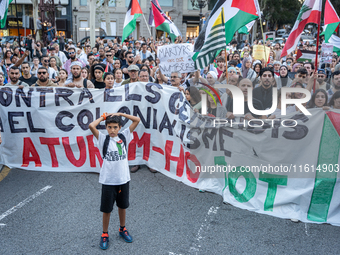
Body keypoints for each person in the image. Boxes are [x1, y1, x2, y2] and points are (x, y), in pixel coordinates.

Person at [88, 112, 140, 250]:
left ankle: (122, 229)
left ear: (120, 127)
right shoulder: (103, 139)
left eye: (115, 127)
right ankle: (104, 234)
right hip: (108, 181)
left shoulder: (124, 136)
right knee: (107, 209)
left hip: (123, 179)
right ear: (106, 128)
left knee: (122, 206)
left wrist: (120, 113)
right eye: (109, 127)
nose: (112, 130)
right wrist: (104, 117)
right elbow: (91, 125)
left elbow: (137, 120)